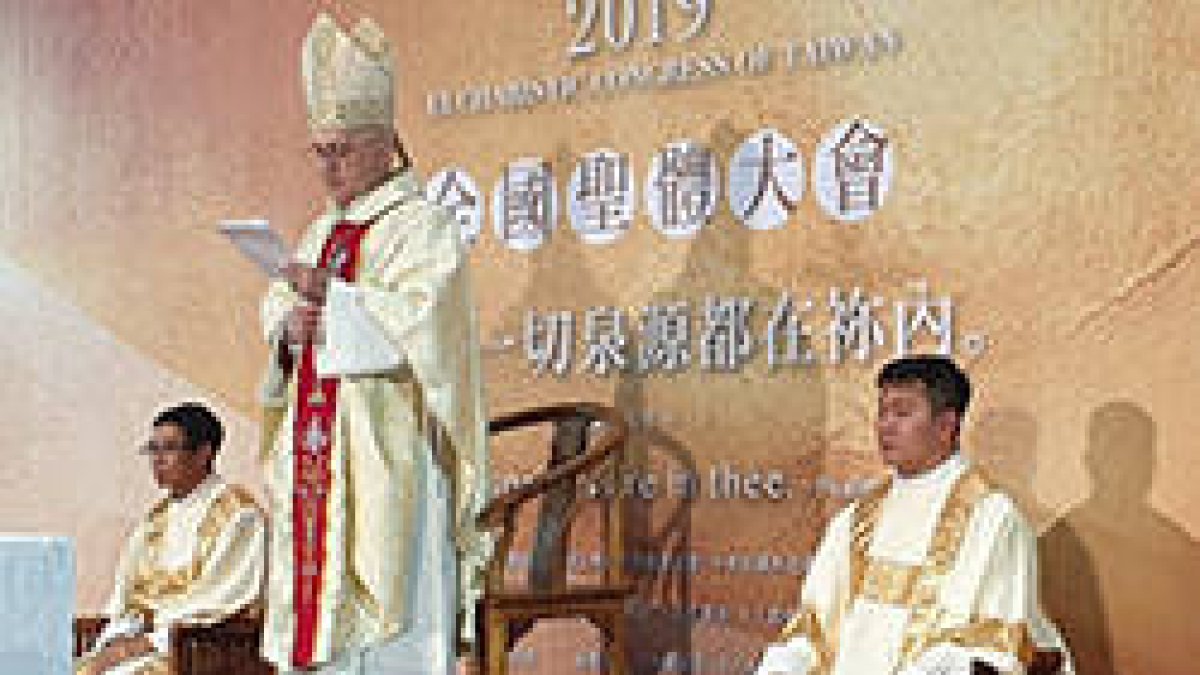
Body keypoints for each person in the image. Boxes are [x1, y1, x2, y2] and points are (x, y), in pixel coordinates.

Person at [258, 12, 491, 675]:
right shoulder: (319, 231)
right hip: (318, 450)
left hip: (392, 455)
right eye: (320, 151)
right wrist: (288, 332)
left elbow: (424, 326)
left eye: (343, 150)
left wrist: (333, 302)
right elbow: (281, 307)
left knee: (392, 631)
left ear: (386, 142)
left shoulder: (423, 228)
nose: (329, 168)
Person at [756, 356, 1072, 674]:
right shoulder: (854, 522)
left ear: (946, 425)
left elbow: (996, 645)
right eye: (882, 413)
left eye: (902, 413)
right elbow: (814, 628)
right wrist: (785, 665)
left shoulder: (992, 520)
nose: (886, 425)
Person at [76, 403, 266, 675]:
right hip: (143, 645)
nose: (157, 459)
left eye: (169, 448)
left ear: (204, 453)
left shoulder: (239, 516)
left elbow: (218, 604)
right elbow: (128, 599)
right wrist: (116, 638)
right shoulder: (155, 519)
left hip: (199, 653)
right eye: (152, 449)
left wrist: (148, 642)